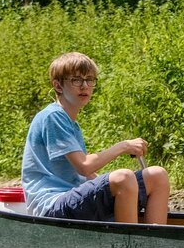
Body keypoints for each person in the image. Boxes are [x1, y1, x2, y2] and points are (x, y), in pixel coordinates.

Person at [22, 52, 170, 224]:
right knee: (123, 177)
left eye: (89, 80)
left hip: (73, 199)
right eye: (76, 80)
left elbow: (88, 176)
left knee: (157, 175)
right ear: (58, 86)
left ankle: (156, 242)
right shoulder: (53, 116)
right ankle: (130, 247)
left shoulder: (70, 122)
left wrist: (131, 192)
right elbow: (84, 166)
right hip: (51, 206)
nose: (85, 86)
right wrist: (124, 146)